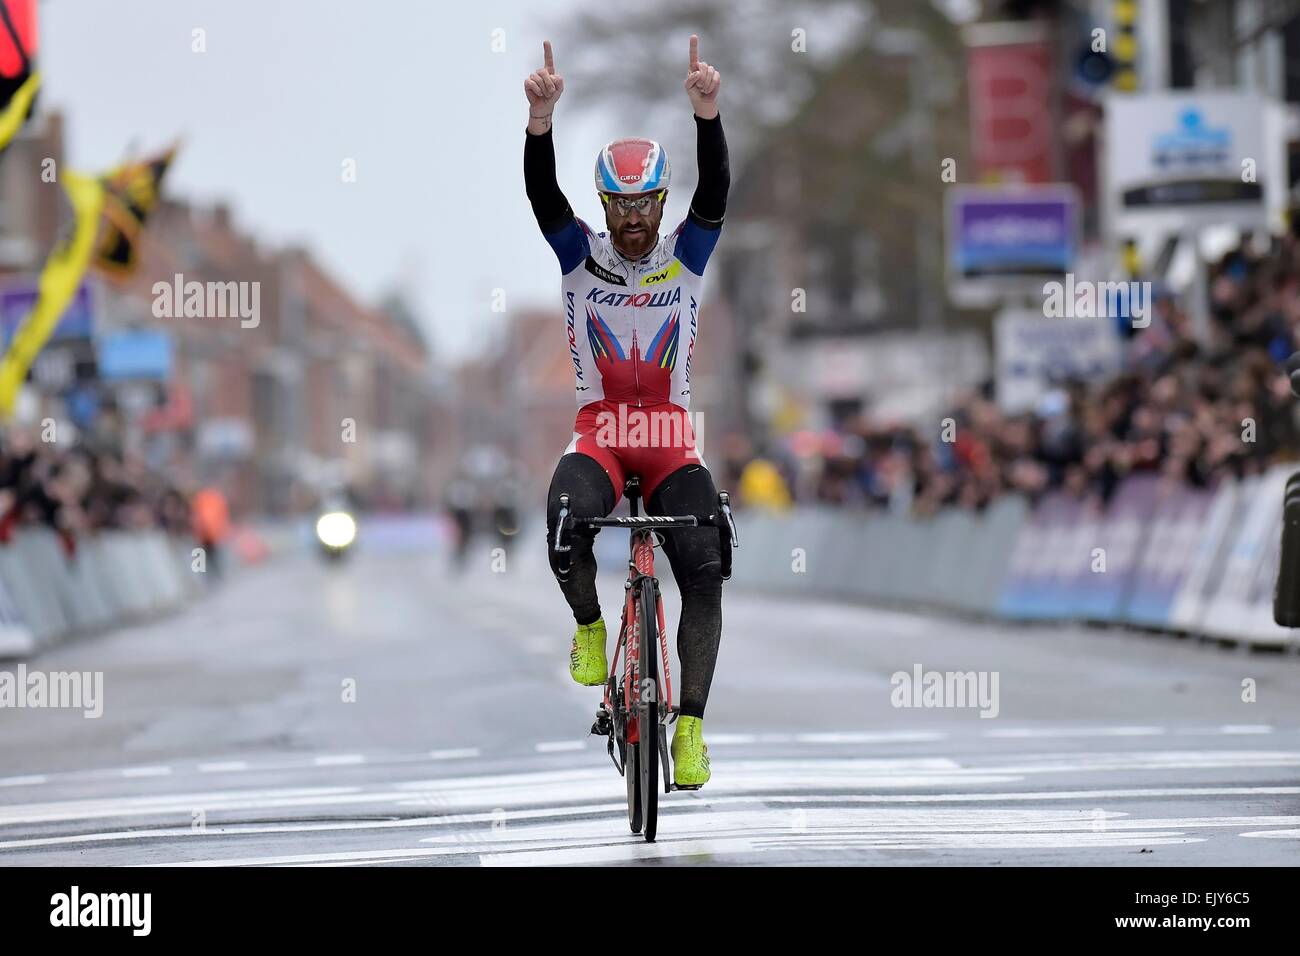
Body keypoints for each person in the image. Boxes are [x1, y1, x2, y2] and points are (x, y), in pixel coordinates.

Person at [525, 36, 729, 787]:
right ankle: (588, 626)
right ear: (605, 204)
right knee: (563, 518)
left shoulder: (689, 253)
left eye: (646, 204)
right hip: (601, 436)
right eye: (621, 205)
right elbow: (542, 197)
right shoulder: (579, 254)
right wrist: (540, 122)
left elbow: (717, 193)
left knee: (705, 567)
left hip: (673, 442)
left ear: (661, 204)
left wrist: (707, 115)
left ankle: (691, 730)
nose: (634, 218)